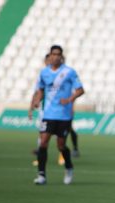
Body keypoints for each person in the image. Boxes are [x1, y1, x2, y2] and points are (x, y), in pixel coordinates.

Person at [32, 45, 84, 185]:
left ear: (61, 56)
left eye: (58, 54)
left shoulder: (69, 72)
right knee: (43, 143)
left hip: (63, 115)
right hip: (48, 114)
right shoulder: (44, 73)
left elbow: (80, 90)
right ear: (50, 55)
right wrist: (37, 101)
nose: (55, 57)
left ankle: (69, 167)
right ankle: (41, 175)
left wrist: (69, 99)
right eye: (53, 54)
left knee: (61, 146)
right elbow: (41, 90)